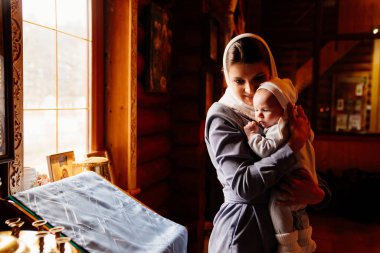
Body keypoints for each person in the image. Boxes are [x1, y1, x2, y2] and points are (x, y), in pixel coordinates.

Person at [204, 33, 330, 253]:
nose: (250, 90)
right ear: (226, 78)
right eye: (239, 81)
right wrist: (292, 145)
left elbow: (306, 162)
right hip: (244, 231)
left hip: (284, 229)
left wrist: (319, 194)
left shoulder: (281, 109)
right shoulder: (222, 116)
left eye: (258, 79)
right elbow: (243, 186)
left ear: (271, 73)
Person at [244, 77, 317, 253]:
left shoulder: (281, 127)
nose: (258, 115)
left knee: (277, 206)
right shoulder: (297, 125)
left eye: (265, 110)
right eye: (256, 110)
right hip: (307, 179)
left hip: (292, 181)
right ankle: (305, 242)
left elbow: (265, 150)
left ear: (285, 110)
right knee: (299, 214)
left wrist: (253, 135)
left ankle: (288, 246)